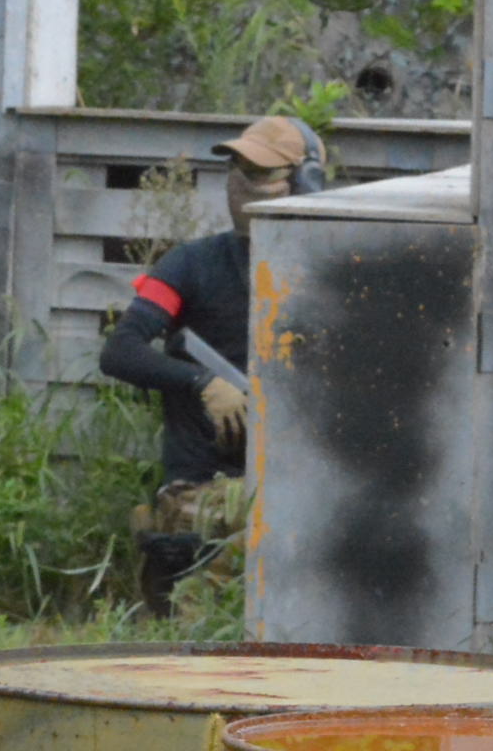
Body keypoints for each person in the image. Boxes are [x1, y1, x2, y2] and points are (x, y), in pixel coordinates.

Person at [96, 113, 326, 608]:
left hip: (297, 485)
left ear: (306, 182)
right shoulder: (191, 264)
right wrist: (203, 382)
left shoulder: (329, 273)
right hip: (202, 491)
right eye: (236, 168)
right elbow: (121, 350)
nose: (242, 183)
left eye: (260, 172)